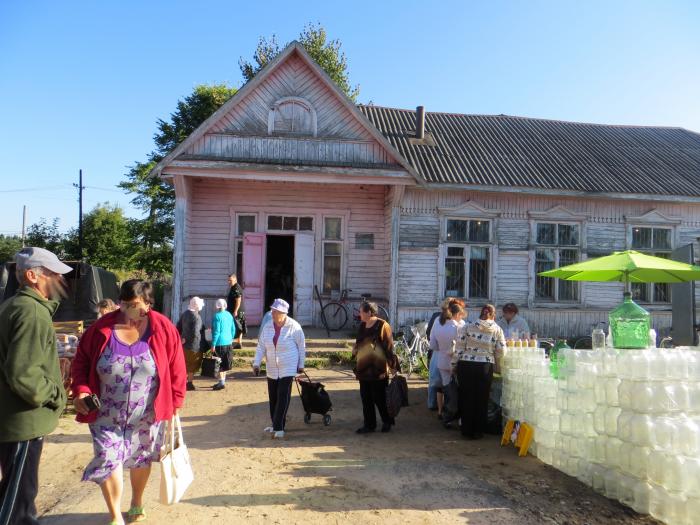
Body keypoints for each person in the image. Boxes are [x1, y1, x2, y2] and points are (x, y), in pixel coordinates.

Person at [71, 279, 186, 525]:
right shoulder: (101, 328)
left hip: (146, 411)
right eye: (123, 303)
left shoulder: (162, 328)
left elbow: (177, 367)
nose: (126, 309)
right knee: (107, 458)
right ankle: (115, 516)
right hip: (105, 413)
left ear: (147, 303)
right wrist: (81, 390)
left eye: (133, 304)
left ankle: (136, 502)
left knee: (141, 456)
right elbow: (80, 362)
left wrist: (175, 402)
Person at [0, 247, 71, 525]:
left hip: (16, 419)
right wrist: (54, 395)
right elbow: (23, 374)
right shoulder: (31, 311)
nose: (59, 281)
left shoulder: (15, 306)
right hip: (22, 422)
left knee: (16, 494)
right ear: (32, 276)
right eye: (53, 274)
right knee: (18, 505)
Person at [252, 299, 305, 440]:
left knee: (283, 395)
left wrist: (301, 365)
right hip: (272, 367)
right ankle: (275, 423)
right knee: (273, 397)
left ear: (283, 313)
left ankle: (279, 427)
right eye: (272, 311)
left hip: (288, 365)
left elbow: (301, 346)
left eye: (275, 312)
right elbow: (261, 346)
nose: (272, 313)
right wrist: (256, 363)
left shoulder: (294, 326)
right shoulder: (268, 326)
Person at [454, 304, 506, 440]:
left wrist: (453, 364)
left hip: (466, 365)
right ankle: (478, 431)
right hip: (485, 366)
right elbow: (501, 351)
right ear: (493, 315)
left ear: (480, 313)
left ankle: (466, 430)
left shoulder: (467, 327)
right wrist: (498, 368)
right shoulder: (497, 330)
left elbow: (459, 347)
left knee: (466, 397)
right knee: (482, 398)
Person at [352, 301, 398, 434]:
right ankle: (369, 425)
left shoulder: (383, 325)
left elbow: (389, 347)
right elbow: (358, 342)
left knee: (380, 397)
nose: (359, 314)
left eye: (361, 312)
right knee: (365, 397)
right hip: (363, 368)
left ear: (369, 312)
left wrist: (392, 365)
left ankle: (387, 421)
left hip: (378, 368)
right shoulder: (362, 325)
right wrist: (355, 350)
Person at [429, 299, 466, 421]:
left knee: (447, 388)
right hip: (458, 361)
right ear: (457, 314)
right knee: (457, 390)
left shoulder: (437, 322)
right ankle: (454, 415)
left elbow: (433, 344)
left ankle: (447, 415)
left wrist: (442, 349)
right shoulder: (460, 326)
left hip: (442, 360)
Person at [177, 296, 204, 391]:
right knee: (192, 365)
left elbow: (178, 327)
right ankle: (189, 383)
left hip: (184, 344)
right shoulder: (197, 317)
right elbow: (196, 332)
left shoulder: (185, 314)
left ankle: (182, 383)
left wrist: (181, 338)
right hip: (193, 345)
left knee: (184, 364)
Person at [211, 298, 236, 391]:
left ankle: (221, 383)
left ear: (217, 306)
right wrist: (231, 338)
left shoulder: (217, 316)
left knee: (219, 363)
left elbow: (216, 331)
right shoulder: (229, 315)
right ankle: (222, 381)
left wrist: (213, 344)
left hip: (219, 343)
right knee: (225, 362)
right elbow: (233, 329)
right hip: (228, 341)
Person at [226, 274, 246, 349]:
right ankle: (239, 343)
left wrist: (235, 311)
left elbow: (238, 300)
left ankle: (230, 343)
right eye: (228, 280)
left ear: (235, 279)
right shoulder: (233, 287)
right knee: (239, 326)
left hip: (236, 311)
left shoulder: (236, 288)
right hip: (236, 310)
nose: (229, 282)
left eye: (230, 280)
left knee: (234, 326)